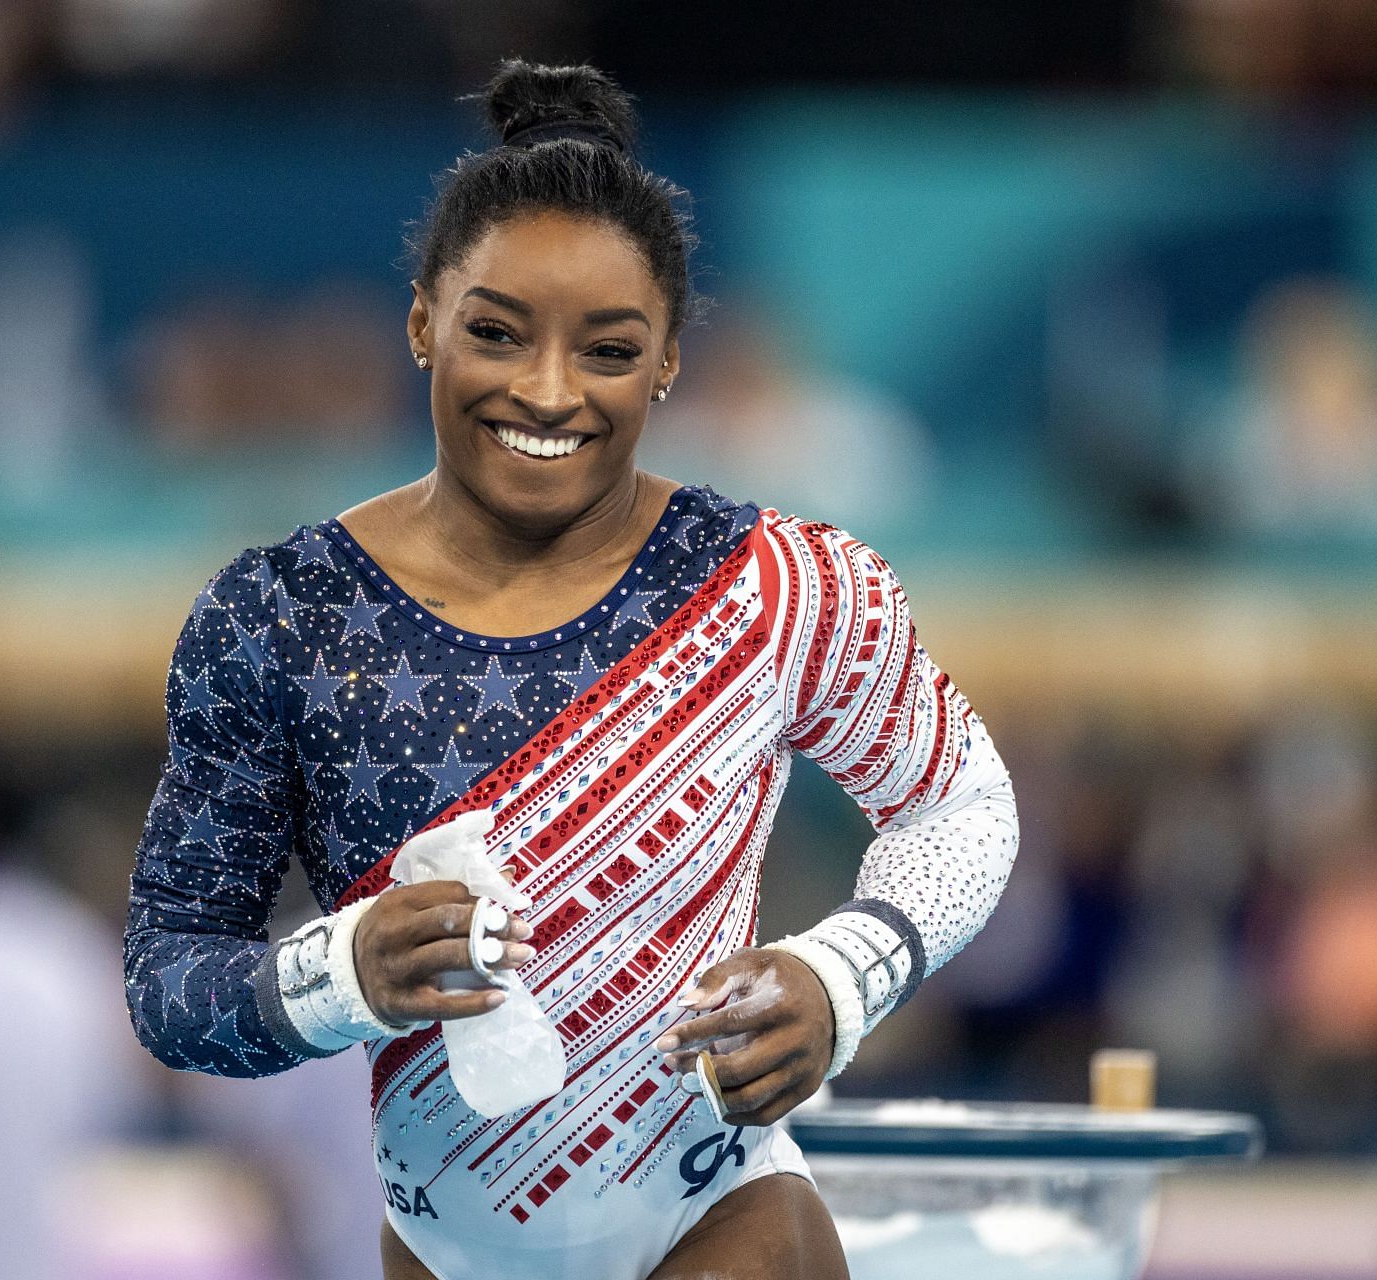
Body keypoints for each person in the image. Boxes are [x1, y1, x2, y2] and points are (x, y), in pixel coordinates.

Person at [125, 61, 1020, 1280]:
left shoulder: (775, 585)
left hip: (725, 1216)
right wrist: (344, 971)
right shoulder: (284, 615)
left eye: (607, 349)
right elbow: (171, 977)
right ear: (423, 319)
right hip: (448, 1250)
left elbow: (961, 798)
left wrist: (840, 972)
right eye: (496, 332)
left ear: (665, 365)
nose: (547, 391)